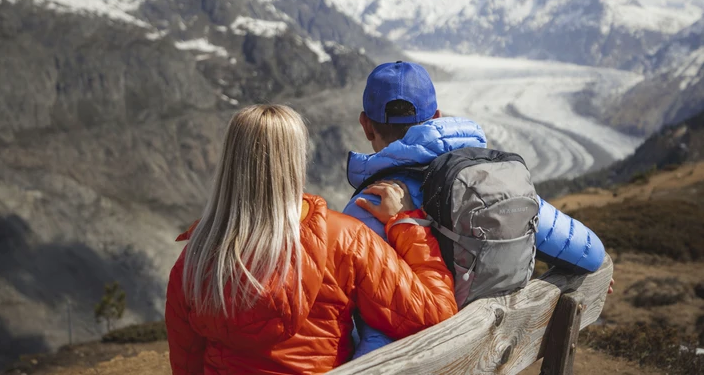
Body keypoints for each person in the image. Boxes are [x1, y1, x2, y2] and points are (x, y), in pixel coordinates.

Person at [344, 61, 615, 358]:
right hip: (490, 355)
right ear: (436, 117)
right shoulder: (489, 183)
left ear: (366, 125)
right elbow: (589, 253)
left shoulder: (365, 208)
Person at [165, 104, 458, 375]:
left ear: (229, 163)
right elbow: (435, 314)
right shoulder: (345, 238)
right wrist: (407, 223)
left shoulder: (194, 260)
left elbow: (187, 364)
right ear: (297, 160)